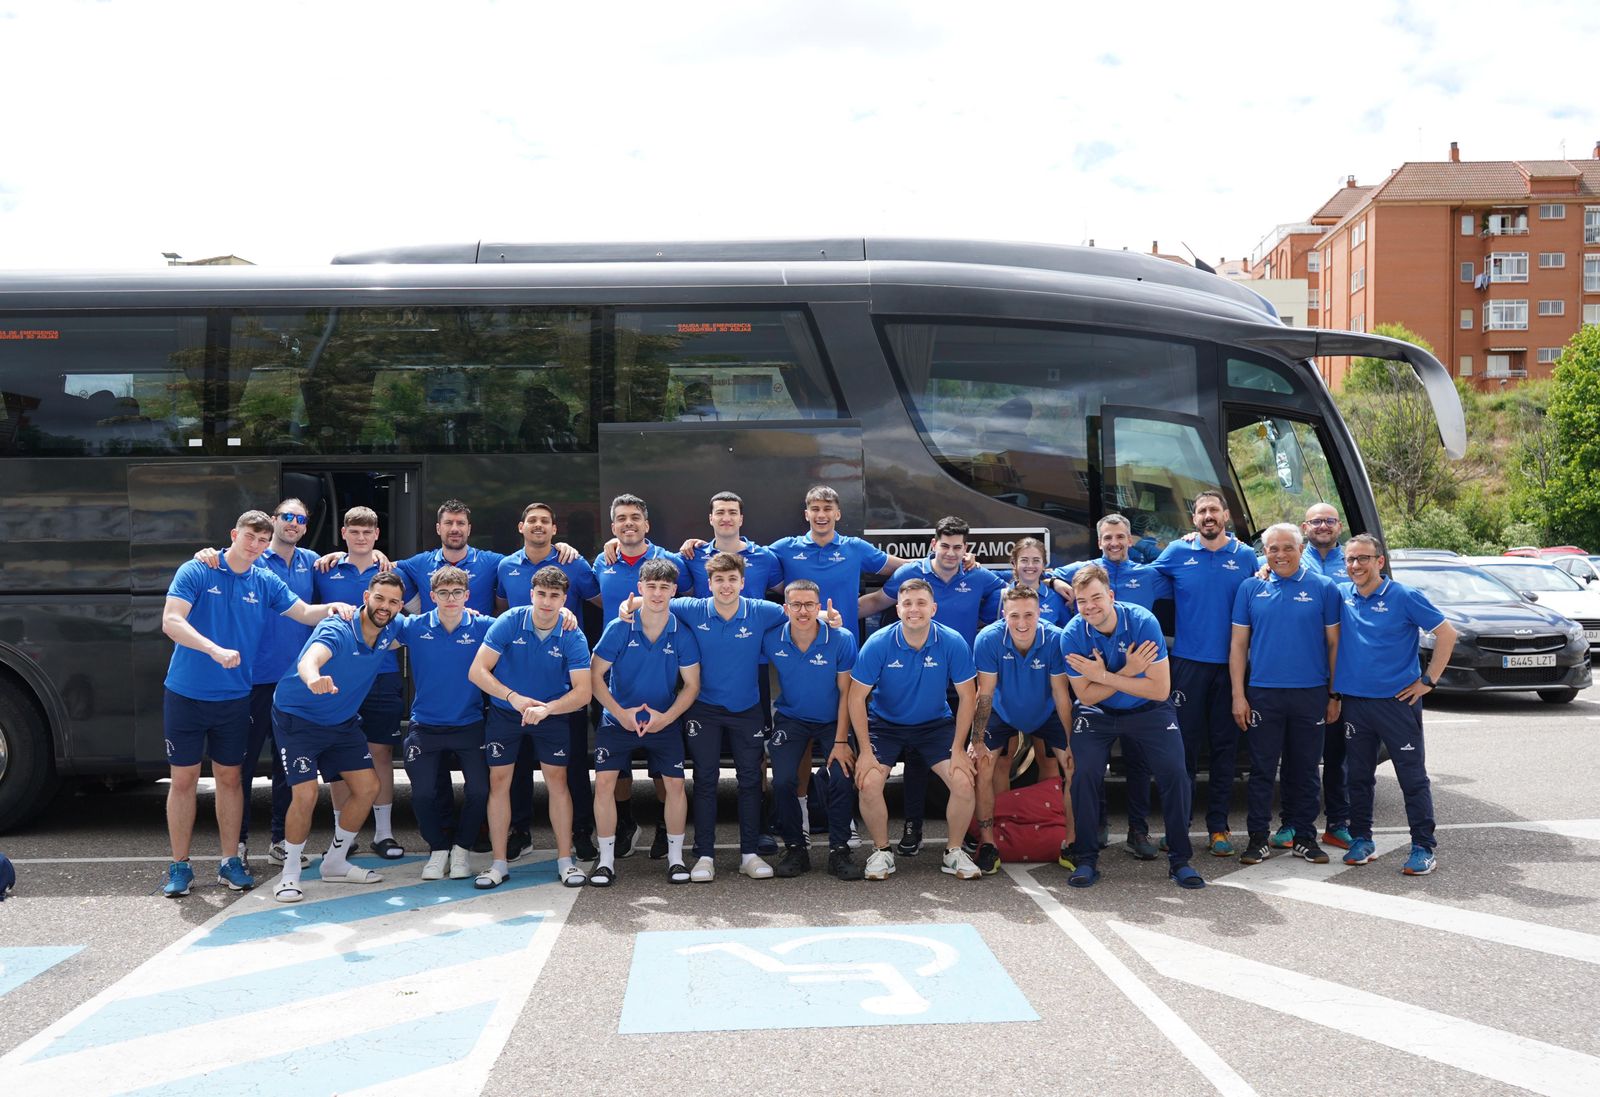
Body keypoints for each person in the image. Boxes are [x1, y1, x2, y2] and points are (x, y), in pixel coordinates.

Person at [159, 509, 352, 898]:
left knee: (230, 780)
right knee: (184, 781)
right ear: (234, 533)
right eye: (250, 537)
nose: (256, 545)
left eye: (263, 540)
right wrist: (212, 649)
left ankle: (230, 861)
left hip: (234, 697)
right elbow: (171, 621)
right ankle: (180, 865)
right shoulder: (198, 570)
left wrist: (336, 609)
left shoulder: (264, 580)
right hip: (185, 694)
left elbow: (302, 612)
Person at [622, 552, 792, 881]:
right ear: (708, 583)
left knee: (751, 781)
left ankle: (749, 854)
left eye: (732, 579)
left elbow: (798, 613)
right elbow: (653, 603)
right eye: (719, 580)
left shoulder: (762, 610)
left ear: (743, 583)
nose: (725, 586)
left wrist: (829, 617)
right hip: (704, 709)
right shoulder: (692, 608)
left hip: (747, 710)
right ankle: (704, 855)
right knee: (704, 781)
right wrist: (626, 608)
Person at [857, 516, 1000, 859]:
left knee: (948, 762)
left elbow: (1017, 590)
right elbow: (877, 601)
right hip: (910, 674)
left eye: (958, 547)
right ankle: (912, 828)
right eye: (945, 545)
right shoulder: (910, 575)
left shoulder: (979, 575)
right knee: (912, 759)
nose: (951, 553)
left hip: (955, 676)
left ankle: (959, 841)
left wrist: (1054, 581)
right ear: (933, 544)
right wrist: (829, 622)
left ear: (967, 549)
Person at [1059, 565, 1204, 889]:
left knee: (1175, 774)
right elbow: (1085, 694)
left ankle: (1180, 860)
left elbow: (1159, 689)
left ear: (1111, 595)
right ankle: (1086, 859)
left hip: (1149, 710)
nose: (1090, 606)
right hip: (1097, 713)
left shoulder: (1141, 622)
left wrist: (1106, 676)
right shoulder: (1071, 634)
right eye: (1082, 601)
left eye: (1096, 597)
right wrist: (1130, 671)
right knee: (1083, 775)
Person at [269, 572, 409, 903]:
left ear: (400, 606)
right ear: (366, 596)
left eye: (392, 602)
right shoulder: (338, 627)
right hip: (298, 719)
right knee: (304, 795)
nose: (384, 607)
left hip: (342, 722)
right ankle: (289, 874)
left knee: (368, 787)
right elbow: (310, 659)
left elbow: (435, 624)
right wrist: (314, 677)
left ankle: (334, 862)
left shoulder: (393, 627)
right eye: (379, 598)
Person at [193, 499, 318, 869]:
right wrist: (205, 554)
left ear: (306, 526)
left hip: (293, 683)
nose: (293, 523)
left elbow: (359, 561)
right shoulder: (253, 558)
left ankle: (281, 841)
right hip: (251, 681)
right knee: (240, 768)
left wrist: (376, 553)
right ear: (274, 522)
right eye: (287, 517)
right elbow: (221, 557)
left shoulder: (313, 562)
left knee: (288, 768)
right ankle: (241, 843)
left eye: (300, 519)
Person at [1051, 514, 1174, 860]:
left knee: (1137, 764)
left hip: (1140, 685)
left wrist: (1260, 568)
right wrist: (1050, 579)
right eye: (1107, 537)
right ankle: (1099, 826)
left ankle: (1139, 830)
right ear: (1099, 540)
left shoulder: (1149, 575)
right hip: (1098, 687)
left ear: (1130, 539)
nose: (1114, 542)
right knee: (1094, 765)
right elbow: (1040, 571)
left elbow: (1188, 580)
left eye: (1120, 536)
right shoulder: (1085, 571)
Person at [1333, 534, 1456, 876]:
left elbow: (1447, 634)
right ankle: (1361, 839)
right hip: (1355, 703)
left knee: (1411, 777)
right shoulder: (1342, 594)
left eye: (1363, 559)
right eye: (1351, 560)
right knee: (1357, 777)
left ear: (1380, 562)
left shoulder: (1403, 596)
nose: (1356, 565)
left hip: (1397, 703)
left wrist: (1428, 681)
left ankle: (1423, 847)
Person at [848, 579, 982, 882]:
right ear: (897, 609)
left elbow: (967, 696)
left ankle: (954, 853)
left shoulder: (952, 641)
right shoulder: (880, 643)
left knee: (963, 782)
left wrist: (960, 749)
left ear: (933, 608)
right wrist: (865, 752)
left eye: (921, 603)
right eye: (907, 603)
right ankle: (882, 851)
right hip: (885, 725)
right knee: (868, 783)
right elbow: (856, 697)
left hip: (934, 725)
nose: (914, 609)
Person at [471, 566, 594, 889]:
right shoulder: (510, 621)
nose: (547, 602)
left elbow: (584, 692)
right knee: (499, 782)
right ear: (531, 594)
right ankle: (498, 864)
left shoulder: (572, 633)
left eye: (555, 596)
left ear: (564, 599)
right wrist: (511, 697)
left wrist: (547, 709)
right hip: (505, 713)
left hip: (551, 715)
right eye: (541, 594)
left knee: (558, 781)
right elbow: (478, 671)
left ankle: (565, 860)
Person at [1227, 524, 1341, 867]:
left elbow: (1334, 644)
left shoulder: (1324, 587)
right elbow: (1238, 645)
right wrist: (1238, 695)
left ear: (1301, 546)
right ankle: (1258, 838)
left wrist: (1335, 694)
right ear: (1265, 552)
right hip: (1263, 693)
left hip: (1311, 693)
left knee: (1306, 769)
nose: (1279, 555)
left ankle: (1304, 837)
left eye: (1287, 548)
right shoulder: (1250, 587)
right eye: (1272, 549)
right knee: (1262, 769)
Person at [1152, 491, 1258, 856]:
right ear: (1193, 518)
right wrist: (1058, 576)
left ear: (1226, 516)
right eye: (1202, 511)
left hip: (1232, 667)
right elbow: (1133, 575)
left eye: (1214, 510)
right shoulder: (1178, 553)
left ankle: (1218, 827)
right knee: (1183, 749)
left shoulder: (1245, 556)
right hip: (1187, 665)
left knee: (1226, 749)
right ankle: (1178, 826)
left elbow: (1271, 576)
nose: (1208, 516)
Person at [494, 502, 602, 862]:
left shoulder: (575, 563)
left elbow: (600, 600)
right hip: (520, 686)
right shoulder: (505, 566)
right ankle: (520, 831)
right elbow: (502, 611)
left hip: (565, 686)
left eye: (545, 521)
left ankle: (581, 832)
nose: (538, 526)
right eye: (532, 521)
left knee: (572, 766)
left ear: (556, 528)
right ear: (520, 526)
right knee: (520, 765)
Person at [588, 558, 700, 886]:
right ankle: (606, 861)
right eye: (651, 586)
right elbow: (595, 675)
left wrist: (667, 718)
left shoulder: (681, 631)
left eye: (664, 587)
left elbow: (692, 685)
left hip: (662, 721)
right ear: (640, 588)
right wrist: (620, 713)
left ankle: (676, 859)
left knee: (676, 786)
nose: (657, 593)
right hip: (618, 719)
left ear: (673, 591)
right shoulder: (620, 626)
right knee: (605, 784)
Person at [592, 494, 692, 861]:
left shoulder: (670, 561)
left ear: (647, 524)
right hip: (616, 674)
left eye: (635, 517)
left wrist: (635, 604)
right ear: (613, 526)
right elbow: (588, 596)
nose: (628, 523)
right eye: (621, 519)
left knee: (661, 768)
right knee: (615, 769)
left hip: (659, 671)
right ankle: (624, 824)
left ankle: (666, 832)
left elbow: (689, 595)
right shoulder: (603, 560)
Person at [312, 506, 408, 859]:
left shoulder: (391, 571)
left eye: (368, 531)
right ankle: (344, 835)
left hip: (381, 676)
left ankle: (383, 834)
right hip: (337, 677)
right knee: (338, 755)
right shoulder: (324, 569)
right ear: (344, 533)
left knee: (380, 752)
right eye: (355, 531)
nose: (362, 537)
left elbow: (410, 613)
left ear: (377, 535)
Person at [394, 566, 494, 883]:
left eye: (456, 592)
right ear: (432, 596)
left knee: (479, 791)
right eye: (443, 593)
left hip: (470, 724)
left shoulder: (484, 627)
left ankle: (462, 850)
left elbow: (525, 621)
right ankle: (439, 850)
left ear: (467, 595)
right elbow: (371, 621)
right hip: (425, 726)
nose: (450, 599)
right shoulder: (413, 627)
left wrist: (566, 617)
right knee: (423, 795)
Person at [1267, 501, 1355, 852]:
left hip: (1344, 669)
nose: (1323, 526)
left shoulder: (1352, 561)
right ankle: (1291, 823)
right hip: (1304, 673)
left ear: (1339, 526)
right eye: (1316, 521)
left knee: (1337, 752)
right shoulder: (1286, 560)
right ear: (1304, 529)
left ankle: (1337, 823)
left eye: (1329, 521)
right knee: (1296, 755)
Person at [763, 579, 864, 880]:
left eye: (809, 605)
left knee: (842, 777)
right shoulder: (771, 638)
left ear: (819, 608)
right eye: (796, 604)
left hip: (833, 720)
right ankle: (795, 848)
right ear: (786, 608)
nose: (803, 611)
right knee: (782, 781)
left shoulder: (841, 638)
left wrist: (842, 741)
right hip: (792, 718)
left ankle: (840, 850)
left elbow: (847, 693)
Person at [971, 586, 1075, 874]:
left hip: (1046, 711)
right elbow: (985, 693)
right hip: (1003, 712)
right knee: (984, 765)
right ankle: (989, 844)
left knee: (1072, 766)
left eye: (1029, 614)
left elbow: (1061, 693)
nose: (1022, 622)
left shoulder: (1055, 639)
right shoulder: (988, 639)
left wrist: (1070, 741)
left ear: (1039, 612)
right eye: (1014, 615)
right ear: (1004, 614)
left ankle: (1072, 842)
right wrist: (976, 738)